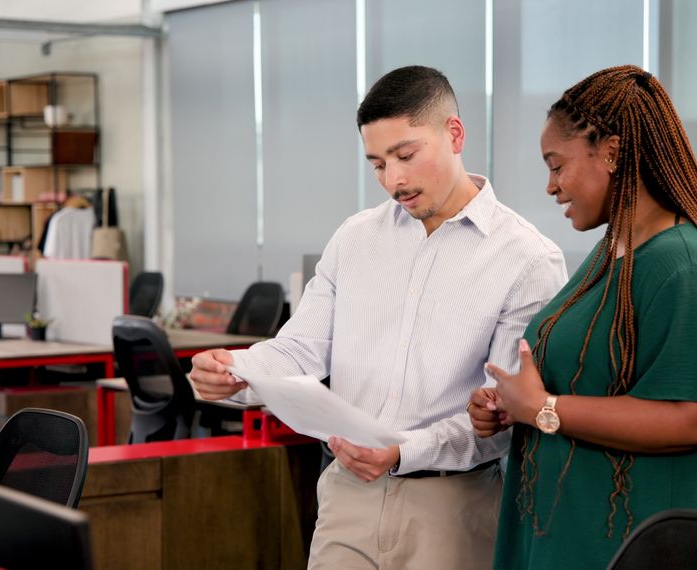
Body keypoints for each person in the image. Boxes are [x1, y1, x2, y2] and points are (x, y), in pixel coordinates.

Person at [189, 65, 568, 568]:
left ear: (454, 134)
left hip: (451, 509)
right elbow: (300, 349)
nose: (394, 180)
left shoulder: (527, 259)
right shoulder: (355, 238)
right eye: (377, 164)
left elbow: (502, 418)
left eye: (406, 156)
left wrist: (401, 450)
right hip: (347, 499)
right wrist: (234, 372)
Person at [467, 65, 697, 569]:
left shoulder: (685, 267)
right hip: (575, 536)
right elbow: (591, 380)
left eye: (556, 165)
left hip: (640, 550)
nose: (550, 186)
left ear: (611, 152)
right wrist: (511, 404)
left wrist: (544, 407)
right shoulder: (615, 251)